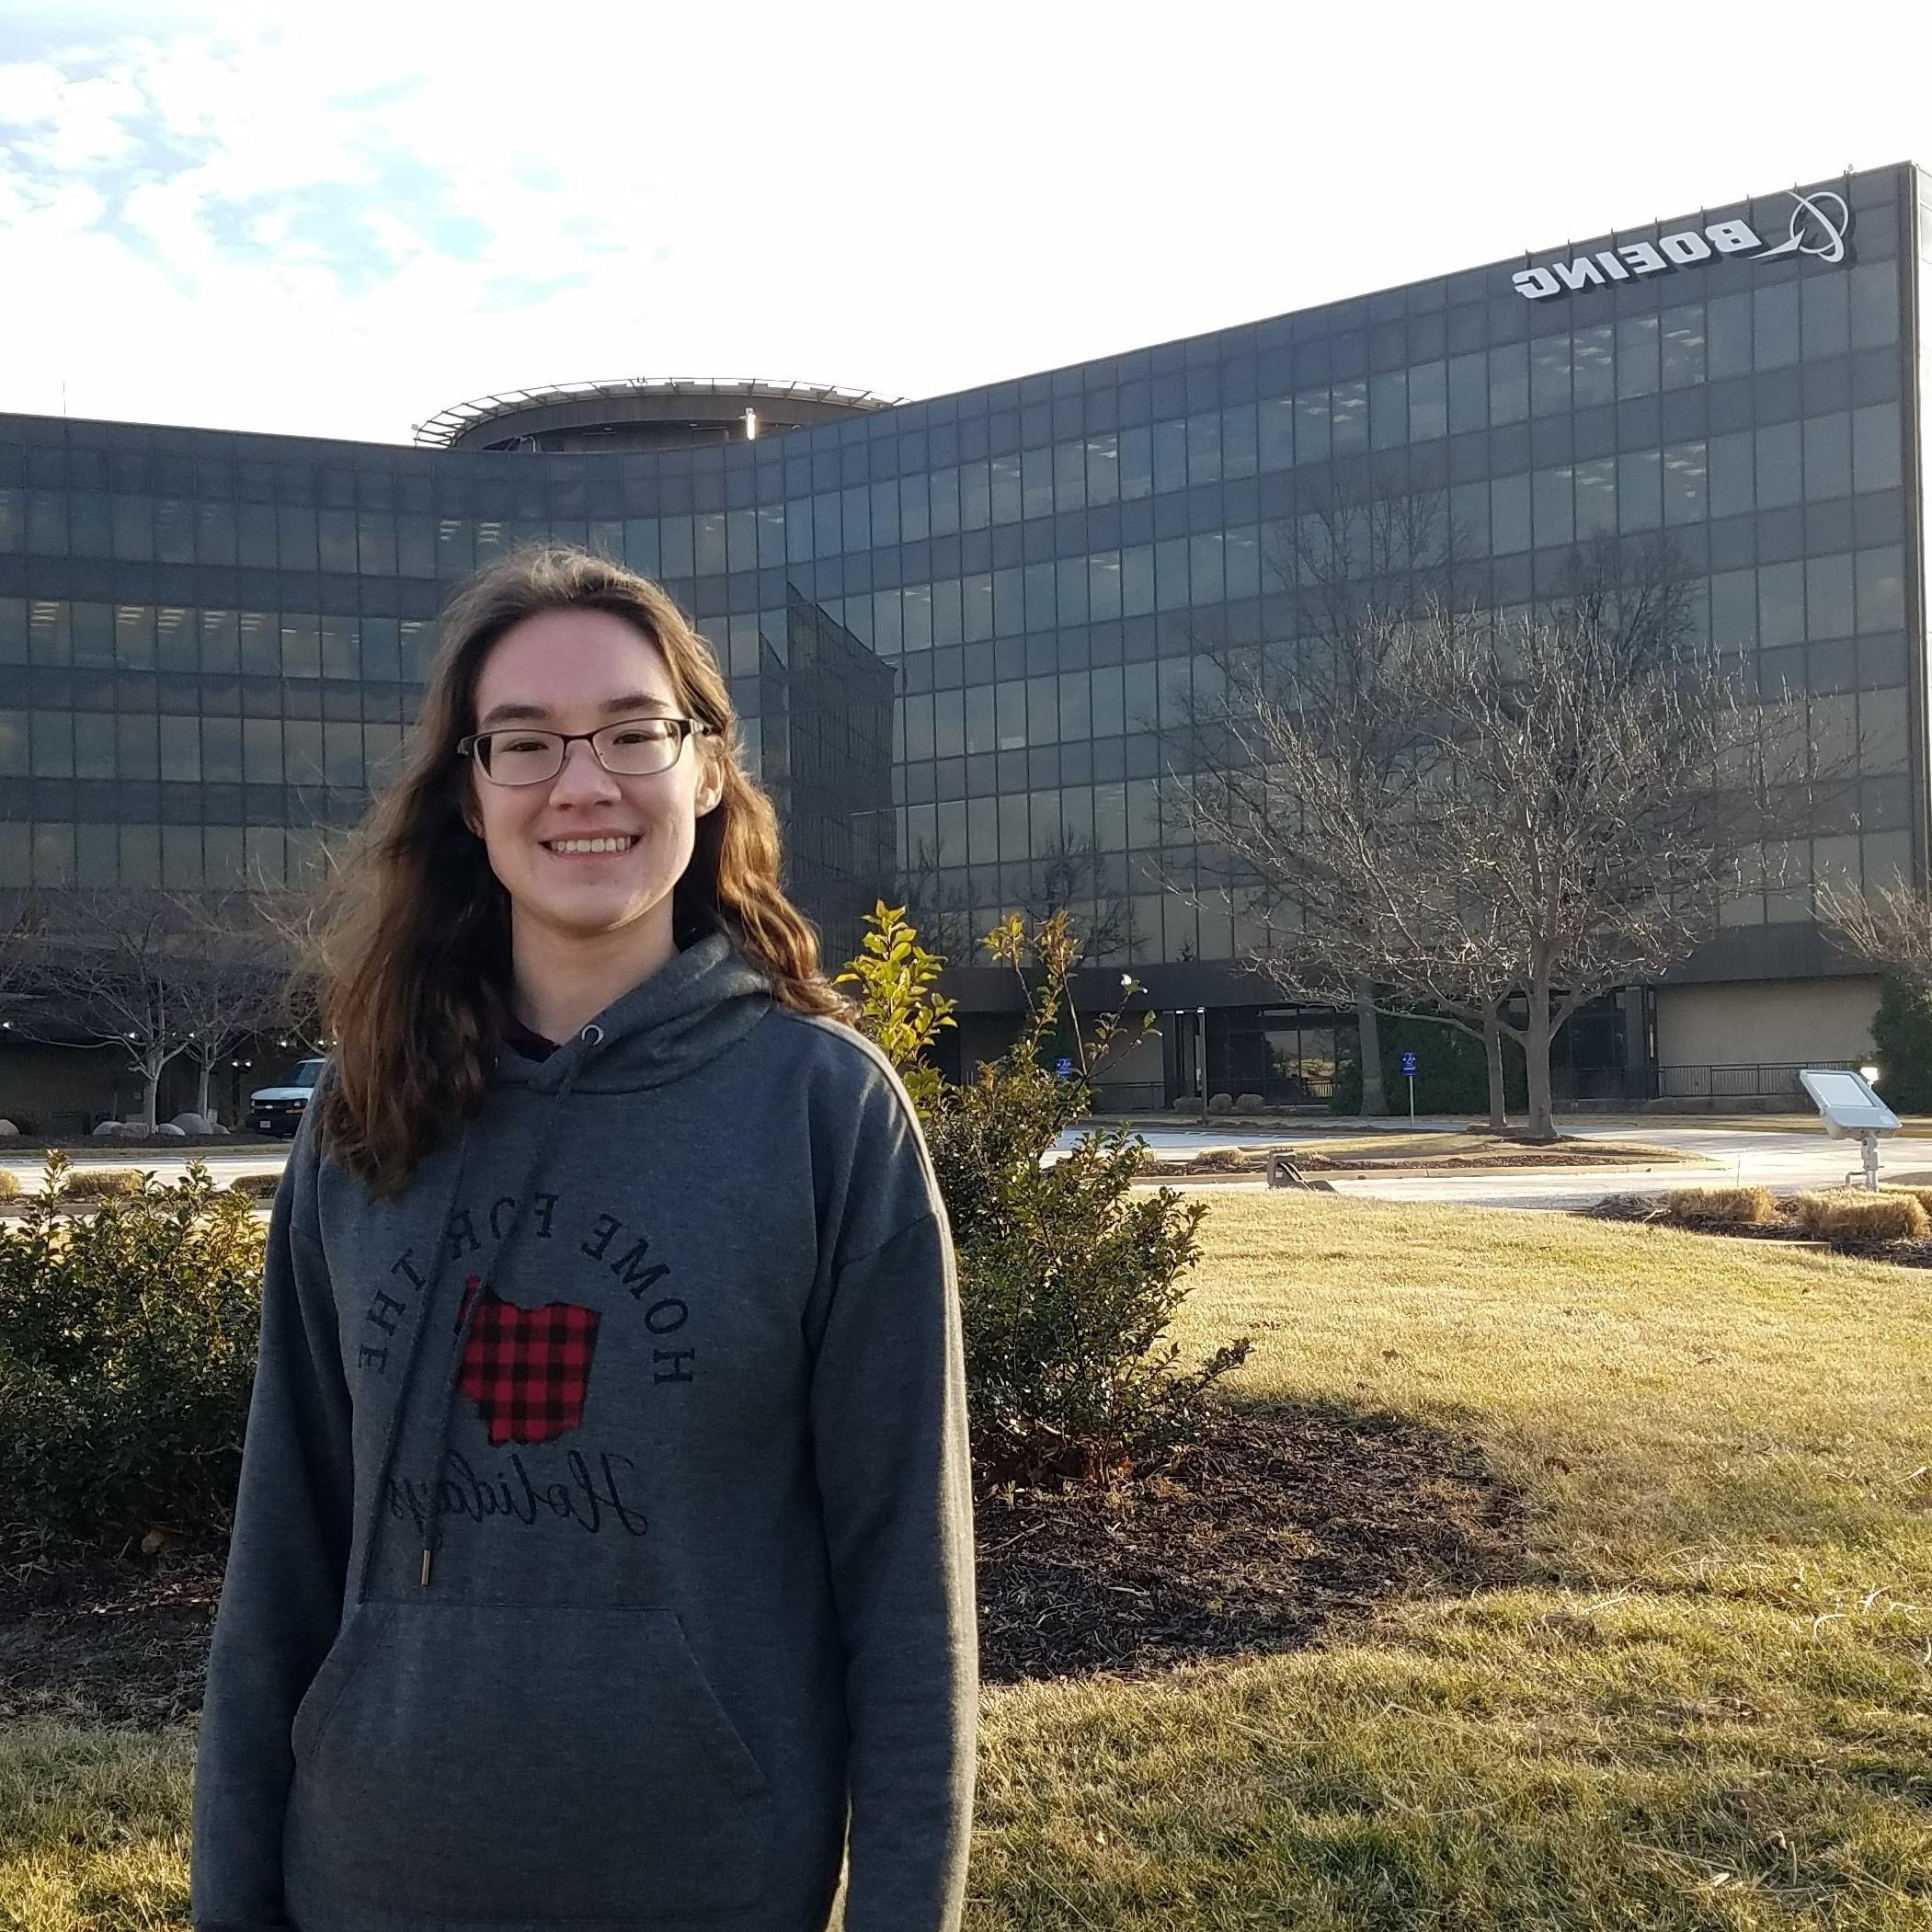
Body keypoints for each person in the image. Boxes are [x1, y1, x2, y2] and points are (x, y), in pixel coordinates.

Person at [190, 547, 977, 1932]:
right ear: (469, 792)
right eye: (527, 743)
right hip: (365, 1877)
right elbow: (282, 1556)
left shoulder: (822, 1109)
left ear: (707, 767)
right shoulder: (367, 1111)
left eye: (630, 730)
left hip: (711, 1883)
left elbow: (908, 1595)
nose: (582, 781)